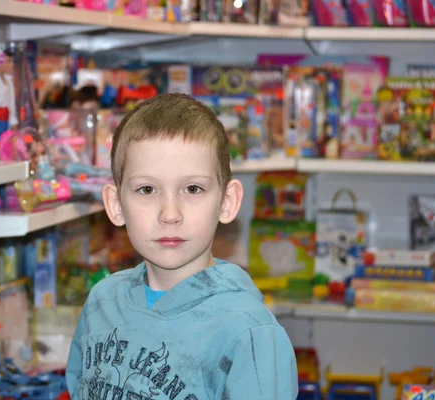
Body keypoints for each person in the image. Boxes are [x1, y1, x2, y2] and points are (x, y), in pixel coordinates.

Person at [66, 93, 298, 399]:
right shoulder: (101, 302)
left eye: (193, 188)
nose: (170, 214)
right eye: (147, 189)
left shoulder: (249, 333)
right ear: (116, 204)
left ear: (227, 203)